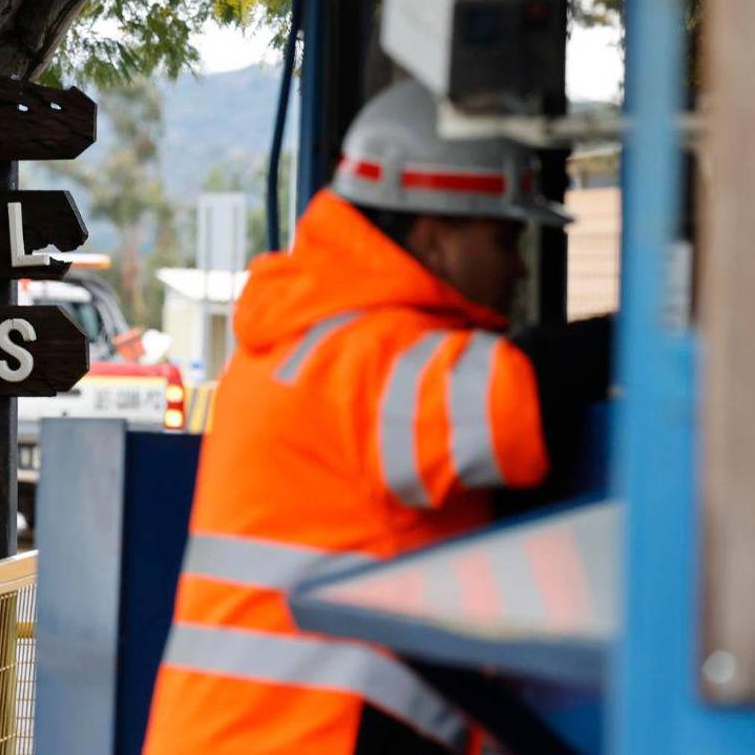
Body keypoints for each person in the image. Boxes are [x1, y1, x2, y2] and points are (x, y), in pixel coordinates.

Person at [142, 78, 611, 755]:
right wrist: (687, 329)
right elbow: (521, 388)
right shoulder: (367, 356)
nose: (517, 269)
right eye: (506, 237)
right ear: (434, 236)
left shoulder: (308, 338)